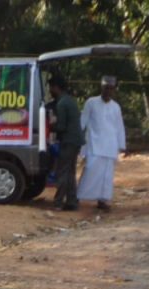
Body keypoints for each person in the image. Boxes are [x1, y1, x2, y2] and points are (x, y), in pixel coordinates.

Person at [78, 76, 127, 210]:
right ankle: (79, 197)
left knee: (106, 175)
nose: (108, 91)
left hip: (110, 145)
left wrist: (121, 145)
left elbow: (119, 126)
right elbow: (83, 121)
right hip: (94, 144)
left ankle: (102, 201)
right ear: (101, 87)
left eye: (111, 88)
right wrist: (78, 139)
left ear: (114, 90)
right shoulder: (91, 102)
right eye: (106, 88)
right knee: (90, 172)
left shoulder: (116, 107)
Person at [49, 75, 83, 211]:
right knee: (70, 171)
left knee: (62, 171)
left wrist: (51, 125)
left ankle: (58, 202)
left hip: (68, 141)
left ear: (56, 87)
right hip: (76, 141)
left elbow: (61, 127)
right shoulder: (70, 100)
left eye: (51, 87)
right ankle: (72, 201)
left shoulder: (62, 103)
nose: (50, 90)